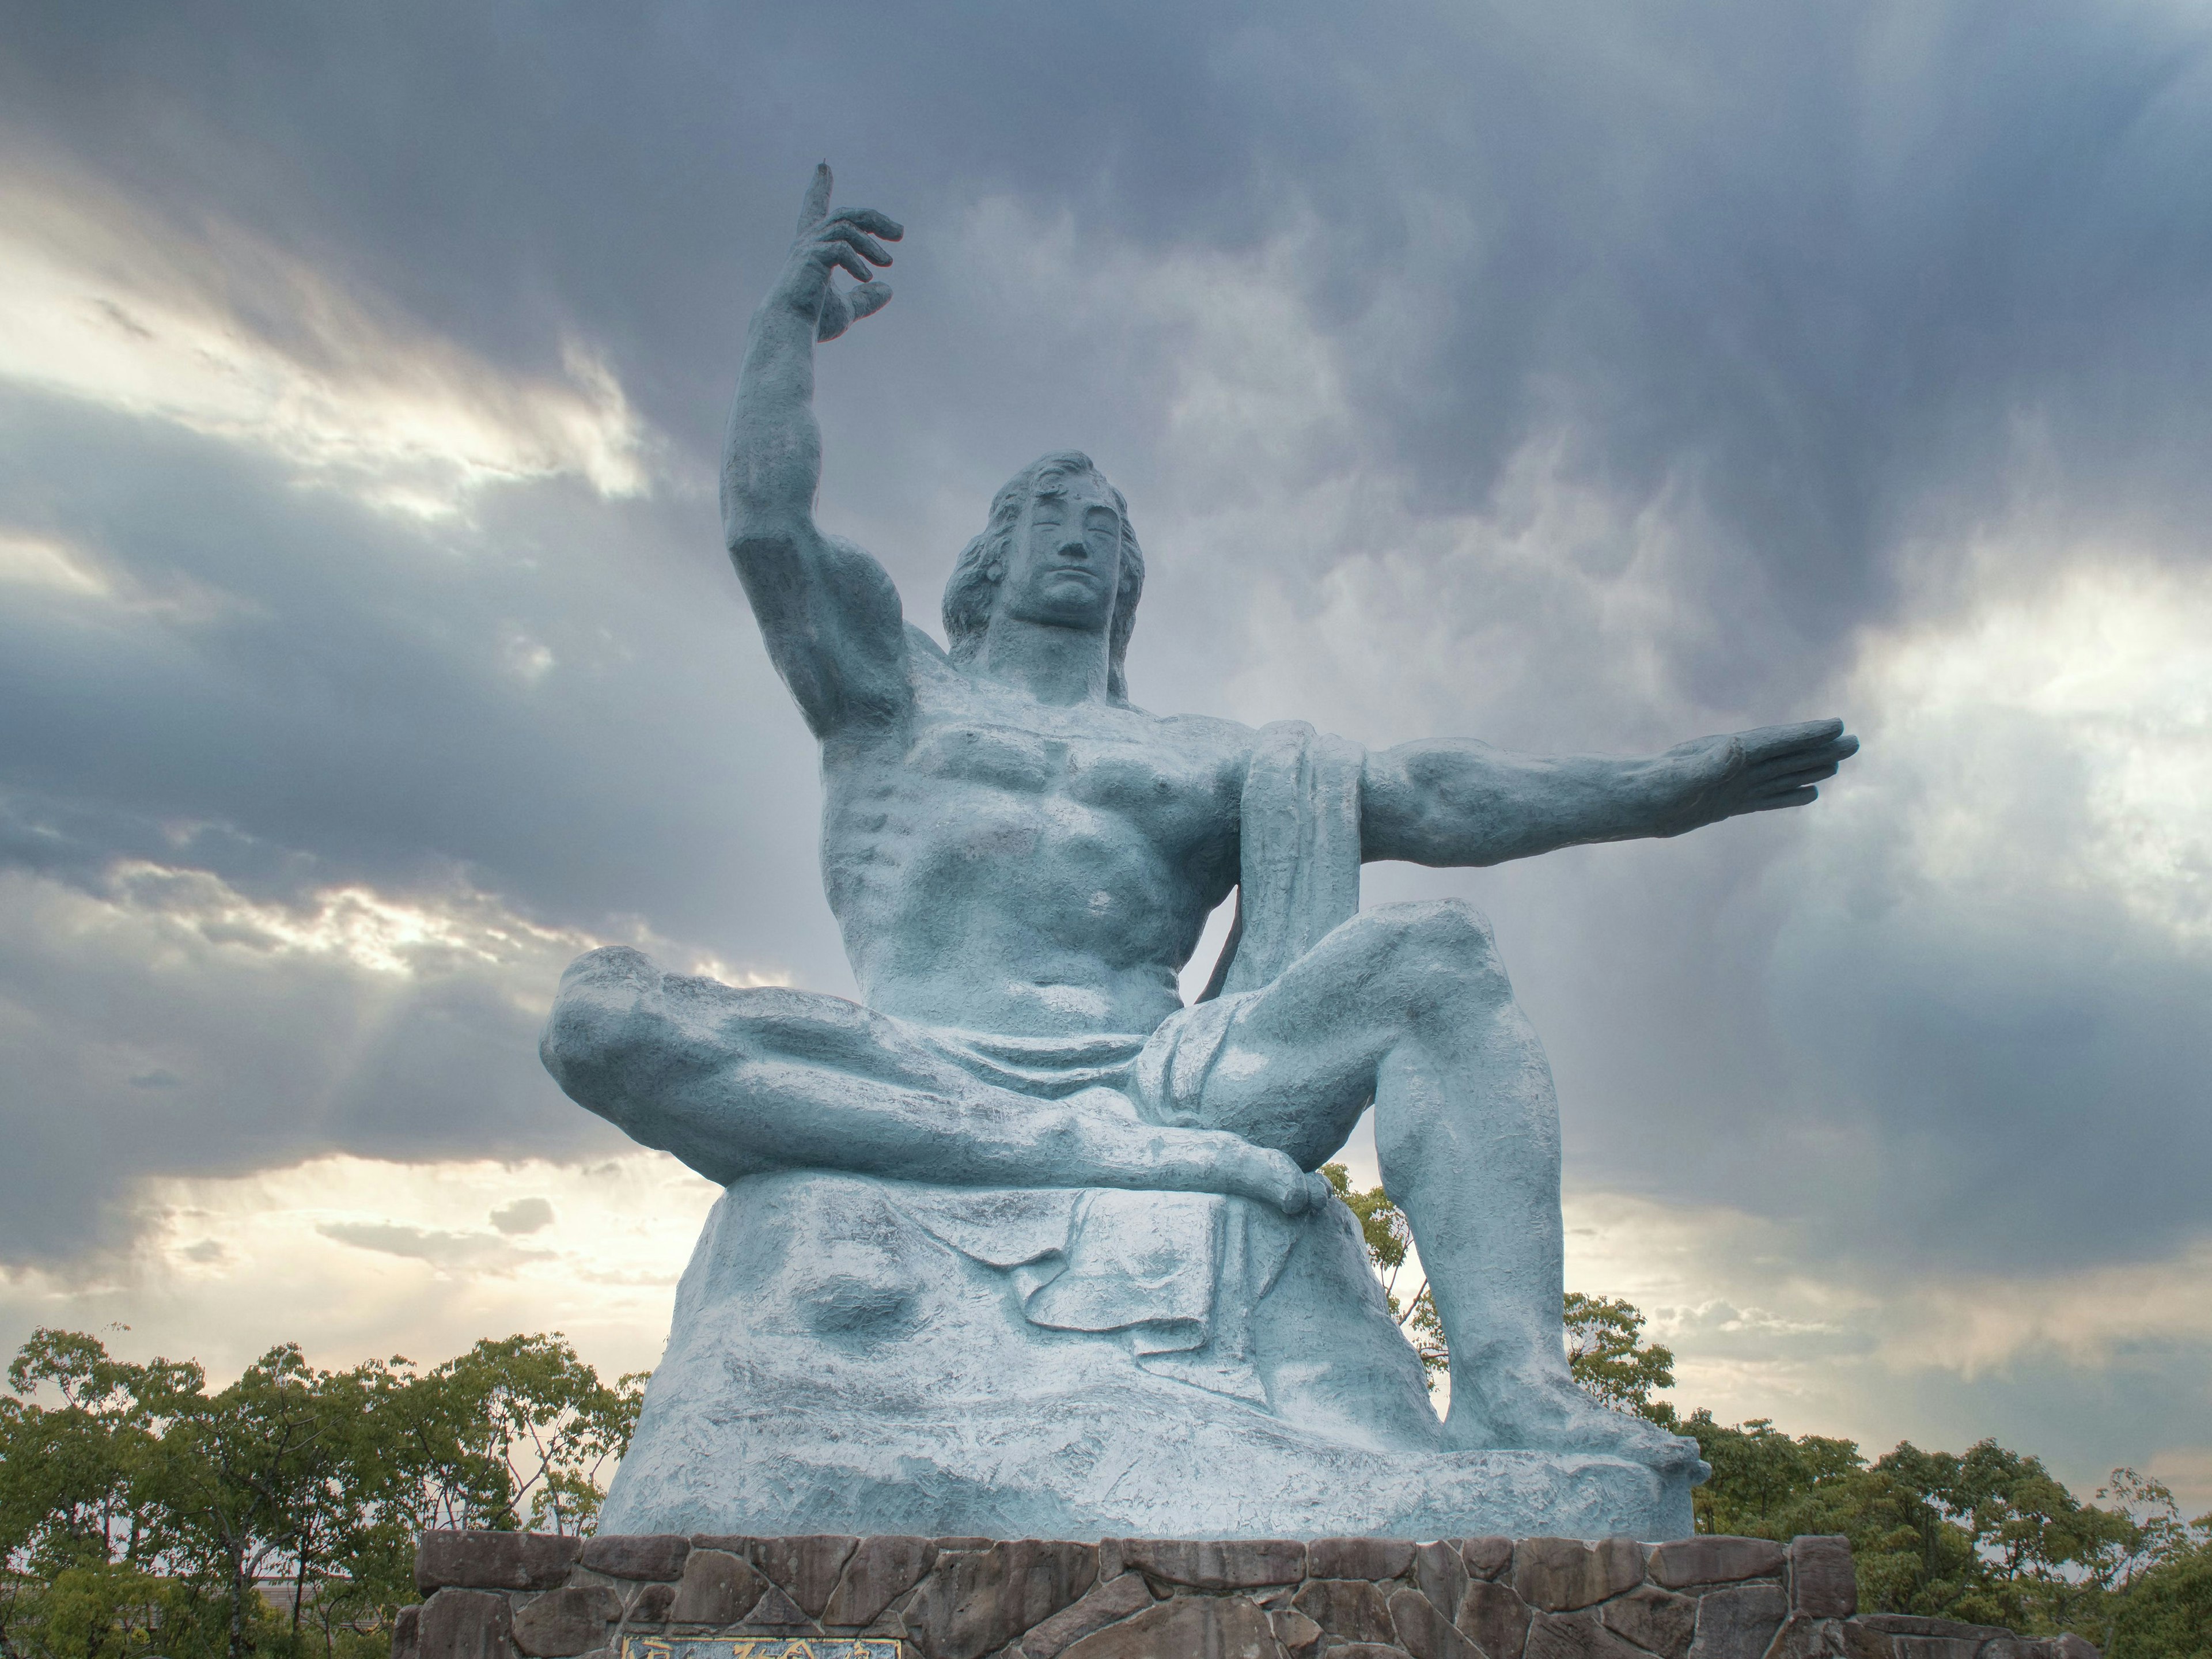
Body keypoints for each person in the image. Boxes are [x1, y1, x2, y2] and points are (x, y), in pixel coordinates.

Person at [543, 165, 1857, 1479]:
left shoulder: (1202, 762)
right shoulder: (892, 689)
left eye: (1106, 527)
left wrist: (1664, 792)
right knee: (600, 1021)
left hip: (1162, 1085)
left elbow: (1440, 795)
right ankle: (1045, 1152)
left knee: (1441, 958)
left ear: (1128, 583)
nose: (1080, 536)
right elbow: (768, 525)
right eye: (1048, 515)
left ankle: (1518, 1390)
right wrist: (785, 326)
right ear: (987, 561)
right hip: (920, 1066)